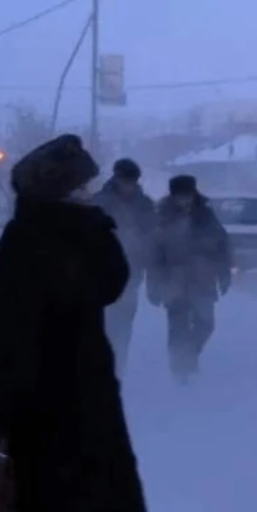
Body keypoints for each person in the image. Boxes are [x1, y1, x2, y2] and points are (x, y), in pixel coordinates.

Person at [0, 134, 156, 512]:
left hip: (53, 386)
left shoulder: (33, 233)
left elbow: (107, 287)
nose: (87, 193)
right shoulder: (58, 235)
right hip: (53, 387)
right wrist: (95, 230)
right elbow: (103, 286)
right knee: (50, 497)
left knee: (60, 492)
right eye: (80, 185)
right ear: (60, 189)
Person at [146, 174, 232, 381]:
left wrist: (224, 274)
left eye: (187, 195)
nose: (184, 200)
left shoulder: (206, 215)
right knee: (178, 327)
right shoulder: (163, 216)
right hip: (173, 281)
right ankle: (179, 370)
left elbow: (222, 246)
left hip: (202, 279)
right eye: (180, 196)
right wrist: (153, 286)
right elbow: (154, 255)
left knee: (206, 324)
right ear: (173, 196)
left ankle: (189, 355)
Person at [90, 158, 157, 374]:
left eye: (132, 181)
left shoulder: (145, 205)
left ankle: (119, 365)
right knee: (103, 322)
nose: (128, 185)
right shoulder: (99, 202)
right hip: (101, 273)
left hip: (131, 273)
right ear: (116, 178)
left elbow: (153, 236)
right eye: (124, 180)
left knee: (124, 322)